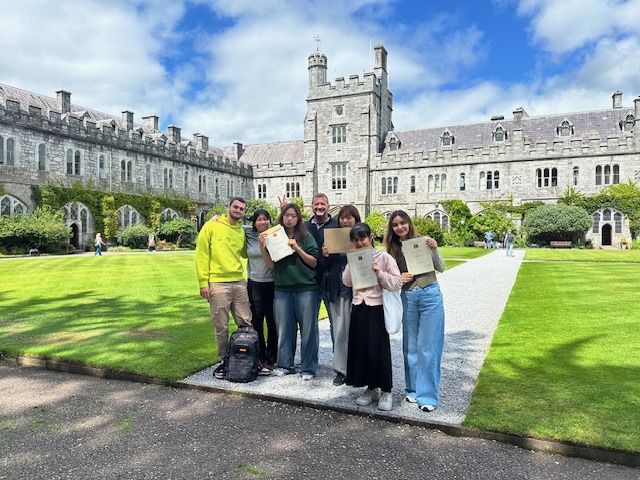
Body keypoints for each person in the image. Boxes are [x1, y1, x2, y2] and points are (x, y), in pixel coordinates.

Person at [385, 210, 446, 413]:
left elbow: (441, 267)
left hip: (429, 294)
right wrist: (400, 278)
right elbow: (390, 277)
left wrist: (435, 249)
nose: (400, 227)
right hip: (409, 295)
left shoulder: (424, 241)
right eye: (395, 224)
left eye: (403, 223)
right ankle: (412, 388)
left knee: (429, 346)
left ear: (409, 223)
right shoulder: (392, 250)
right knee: (410, 347)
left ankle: (427, 395)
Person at [342, 222, 402, 411]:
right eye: (355, 240)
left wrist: (379, 273)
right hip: (358, 306)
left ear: (371, 237)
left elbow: (397, 282)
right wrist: (351, 261)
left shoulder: (383, 257)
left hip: (376, 308)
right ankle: (371, 388)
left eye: (362, 238)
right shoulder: (353, 257)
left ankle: (386, 390)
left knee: (379, 351)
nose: (359, 243)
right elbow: (346, 281)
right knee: (362, 350)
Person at [259, 202, 319, 380]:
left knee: (308, 330)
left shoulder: (306, 236)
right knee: (284, 329)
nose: (290, 218)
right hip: (282, 289)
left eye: (293, 215)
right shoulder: (275, 236)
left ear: (298, 218)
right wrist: (262, 247)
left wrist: (297, 248)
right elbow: (272, 266)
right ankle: (285, 365)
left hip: (305, 289)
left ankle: (308, 368)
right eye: (287, 215)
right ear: (282, 217)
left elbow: (314, 262)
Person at [195, 197, 253, 380]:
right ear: (228, 207)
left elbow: (245, 253)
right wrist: (203, 283)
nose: (238, 211)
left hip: (239, 282)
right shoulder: (211, 226)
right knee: (221, 325)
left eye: (241, 209)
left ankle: (246, 358)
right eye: (235, 207)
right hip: (218, 283)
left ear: (244, 212)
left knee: (246, 322)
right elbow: (202, 255)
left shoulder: (241, 231)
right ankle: (224, 360)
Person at [321, 204, 361, 386]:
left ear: (355, 219)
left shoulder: (362, 236)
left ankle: (357, 368)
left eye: (349, 217)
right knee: (339, 330)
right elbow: (324, 266)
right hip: (339, 290)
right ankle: (341, 369)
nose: (345, 221)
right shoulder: (334, 237)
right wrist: (326, 255)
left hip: (360, 291)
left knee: (357, 331)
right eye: (342, 217)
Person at [245, 209, 277, 374]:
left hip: (272, 283)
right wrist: (217, 218)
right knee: (256, 321)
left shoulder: (273, 235)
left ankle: (272, 358)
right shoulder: (248, 233)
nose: (263, 222)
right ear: (254, 222)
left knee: (272, 321)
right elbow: (232, 225)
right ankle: (259, 356)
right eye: (259, 219)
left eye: (266, 219)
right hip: (254, 284)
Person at [303, 194, 339, 340]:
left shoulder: (336, 225)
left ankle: (338, 355)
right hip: (310, 281)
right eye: (316, 204)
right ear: (312, 206)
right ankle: (312, 355)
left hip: (331, 281)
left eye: (322, 204)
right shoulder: (304, 227)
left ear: (328, 206)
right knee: (310, 324)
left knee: (335, 323)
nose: (319, 207)